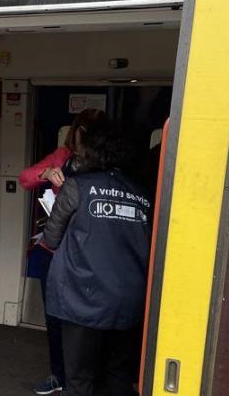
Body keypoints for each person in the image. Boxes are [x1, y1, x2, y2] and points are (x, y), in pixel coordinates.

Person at [43, 120, 151, 396]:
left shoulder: (78, 186)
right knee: (118, 375)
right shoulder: (143, 193)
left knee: (79, 379)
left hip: (83, 299)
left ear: (90, 152)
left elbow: (51, 238)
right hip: (129, 300)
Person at [19, 108, 103, 395]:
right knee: (53, 316)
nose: (81, 144)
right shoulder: (62, 156)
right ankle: (58, 375)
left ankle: (84, 380)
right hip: (52, 249)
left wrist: (67, 188)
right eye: (79, 136)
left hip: (85, 252)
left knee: (83, 320)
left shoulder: (104, 166)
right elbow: (25, 178)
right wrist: (45, 172)